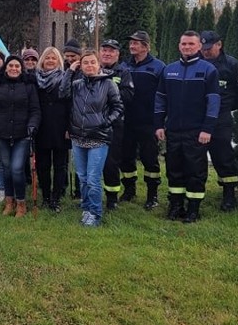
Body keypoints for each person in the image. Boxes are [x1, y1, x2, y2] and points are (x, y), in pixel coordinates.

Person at [155, 31, 221, 223]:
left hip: (197, 131)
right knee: (174, 169)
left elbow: (214, 102)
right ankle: (176, 205)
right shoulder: (169, 70)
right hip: (173, 129)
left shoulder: (208, 70)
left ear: (199, 46)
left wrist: (207, 128)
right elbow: (160, 99)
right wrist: (159, 124)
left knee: (195, 170)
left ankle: (193, 209)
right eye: (184, 44)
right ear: (179, 46)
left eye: (191, 44)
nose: (187, 47)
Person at [60, 49, 124, 227]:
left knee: (93, 177)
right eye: (85, 63)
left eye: (92, 62)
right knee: (82, 176)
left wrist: (106, 122)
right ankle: (86, 207)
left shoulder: (108, 84)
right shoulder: (77, 84)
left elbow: (118, 107)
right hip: (78, 137)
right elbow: (62, 93)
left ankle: (95, 213)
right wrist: (70, 71)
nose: (89, 66)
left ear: (98, 65)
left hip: (98, 137)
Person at [0, 54, 41, 216]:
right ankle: (9, 201)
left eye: (17, 66)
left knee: (17, 168)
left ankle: (21, 203)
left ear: (21, 69)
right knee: (6, 169)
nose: (14, 69)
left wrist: (33, 125)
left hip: (23, 134)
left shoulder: (29, 86)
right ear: (6, 68)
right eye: (11, 66)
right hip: (1, 133)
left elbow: (35, 110)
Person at [200, 30, 238, 211]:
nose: (205, 51)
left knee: (223, 156)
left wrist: (227, 106)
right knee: (197, 157)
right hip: (199, 117)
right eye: (202, 47)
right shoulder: (196, 62)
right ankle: (197, 192)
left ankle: (229, 195)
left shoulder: (231, 65)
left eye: (209, 47)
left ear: (219, 44)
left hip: (221, 118)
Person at [120, 30, 165, 209]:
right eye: (131, 43)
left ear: (146, 46)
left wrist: (160, 121)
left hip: (148, 122)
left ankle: (152, 194)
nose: (132, 46)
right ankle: (129, 190)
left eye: (136, 43)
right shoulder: (124, 66)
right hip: (127, 121)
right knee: (126, 158)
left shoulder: (158, 67)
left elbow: (164, 96)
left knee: (149, 158)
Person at [98, 39, 134, 211]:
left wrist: (108, 89)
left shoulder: (124, 72)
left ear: (117, 54)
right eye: (104, 50)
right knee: (92, 162)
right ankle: (90, 195)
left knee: (110, 162)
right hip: (92, 123)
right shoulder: (92, 68)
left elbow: (128, 96)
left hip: (114, 124)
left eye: (111, 51)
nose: (107, 53)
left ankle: (112, 198)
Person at [34, 46, 70, 212]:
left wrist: (70, 127)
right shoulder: (35, 79)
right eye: (47, 58)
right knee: (43, 165)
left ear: (58, 61)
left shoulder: (65, 78)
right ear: (42, 60)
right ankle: (46, 196)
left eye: (53, 58)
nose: (50, 61)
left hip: (61, 127)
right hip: (42, 127)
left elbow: (71, 104)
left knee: (60, 165)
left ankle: (56, 198)